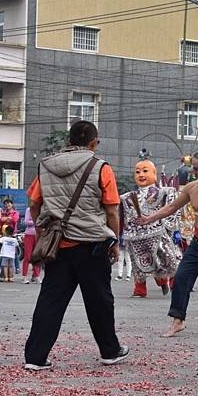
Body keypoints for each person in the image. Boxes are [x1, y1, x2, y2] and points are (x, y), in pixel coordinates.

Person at [24, 120, 128, 370]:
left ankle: (35, 358)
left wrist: (42, 235)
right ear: (94, 142)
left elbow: (34, 204)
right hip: (92, 245)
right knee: (100, 301)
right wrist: (114, 240)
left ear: (69, 141)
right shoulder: (100, 167)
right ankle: (109, 351)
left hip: (58, 246)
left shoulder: (46, 166)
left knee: (51, 301)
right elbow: (112, 211)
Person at [140, 150, 198, 339]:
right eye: (195, 169)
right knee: (181, 279)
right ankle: (178, 320)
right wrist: (150, 218)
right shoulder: (191, 188)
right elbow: (172, 207)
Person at [120, 159, 181, 297]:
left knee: (164, 259)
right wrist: (121, 232)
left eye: (145, 171)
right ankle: (140, 288)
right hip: (135, 235)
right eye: (137, 172)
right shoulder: (127, 197)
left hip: (158, 233)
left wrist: (174, 229)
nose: (141, 174)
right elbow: (123, 216)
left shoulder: (165, 192)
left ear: (154, 173)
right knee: (137, 262)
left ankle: (166, 280)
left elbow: (173, 209)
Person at [0, 199, 20, 275]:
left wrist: (6, 219)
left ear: (12, 204)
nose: (7, 205)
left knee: (14, 253)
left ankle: (17, 268)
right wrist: (8, 218)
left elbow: (14, 220)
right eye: (5, 204)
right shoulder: (3, 213)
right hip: (3, 235)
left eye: (9, 204)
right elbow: (0, 220)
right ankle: (3, 272)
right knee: (3, 253)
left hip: (13, 235)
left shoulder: (15, 212)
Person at [22, 207, 40, 284]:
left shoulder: (41, 209)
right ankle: (24, 276)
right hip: (29, 234)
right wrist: (37, 222)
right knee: (27, 256)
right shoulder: (29, 209)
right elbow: (26, 222)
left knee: (37, 256)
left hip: (38, 235)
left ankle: (37, 276)